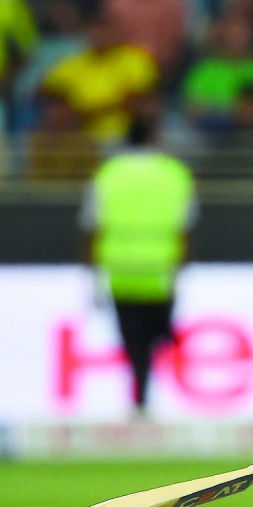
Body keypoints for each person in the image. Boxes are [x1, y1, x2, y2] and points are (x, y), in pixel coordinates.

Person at [79, 108, 197, 415]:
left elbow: (93, 226)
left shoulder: (108, 174)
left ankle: (140, 398)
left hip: (120, 270)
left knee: (132, 341)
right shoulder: (174, 172)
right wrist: (180, 268)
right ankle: (160, 348)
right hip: (159, 269)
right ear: (155, 139)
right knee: (154, 335)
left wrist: (92, 272)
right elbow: (183, 226)